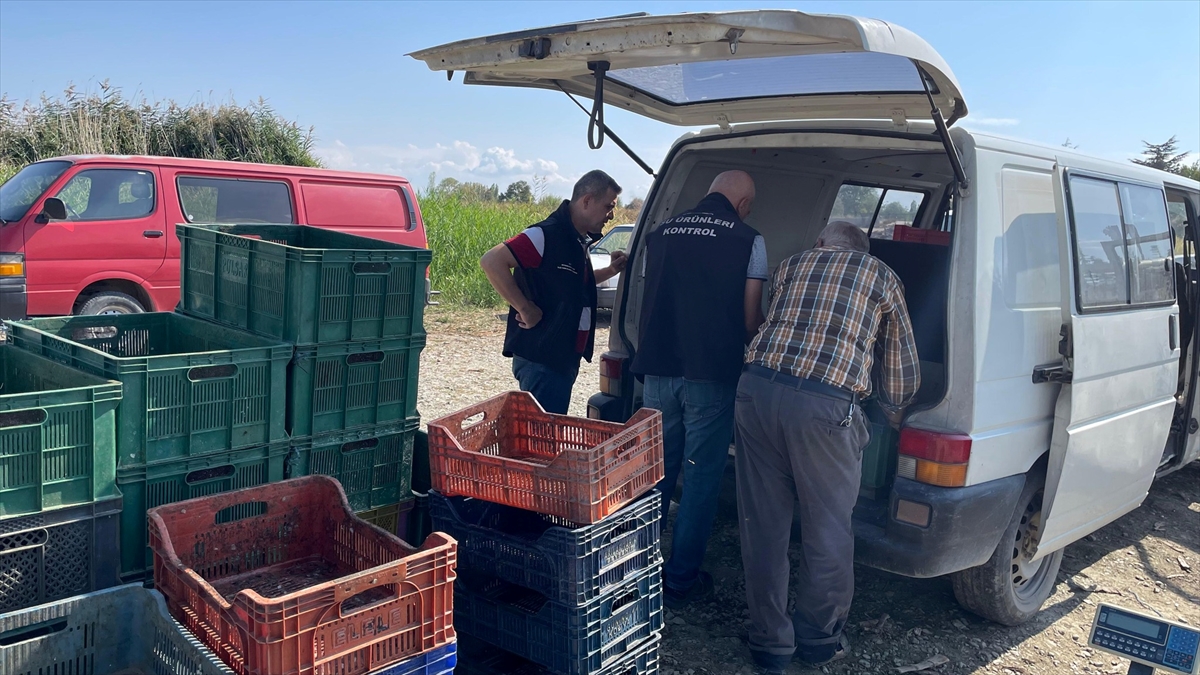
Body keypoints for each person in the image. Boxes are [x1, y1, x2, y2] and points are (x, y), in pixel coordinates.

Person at [735, 221, 920, 672]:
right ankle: (817, 640)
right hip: (824, 409)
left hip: (755, 392)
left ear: (821, 243)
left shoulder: (791, 265)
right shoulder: (882, 276)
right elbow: (899, 370)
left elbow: (781, 320)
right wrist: (895, 411)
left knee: (763, 525)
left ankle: (770, 645)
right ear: (864, 251)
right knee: (828, 530)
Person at [630, 170, 767, 608]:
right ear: (742, 203)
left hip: (658, 372)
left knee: (654, 474)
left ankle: (633, 571)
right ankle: (680, 579)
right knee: (702, 476)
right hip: (710, 374)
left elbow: (648, 298)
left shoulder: (660, 233)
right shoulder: (750, 240)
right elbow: (749, 321)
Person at [480, 170, 626, 414]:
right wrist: (524, 308)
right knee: (542, 440)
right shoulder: (544, 235)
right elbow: (491, 261)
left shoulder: (576, 240)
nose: (611, 215)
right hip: (543, 360)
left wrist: (612, 270)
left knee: (548, 433)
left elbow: (576, 283)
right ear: (587, 201)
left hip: (562, 358)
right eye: (608, 206)